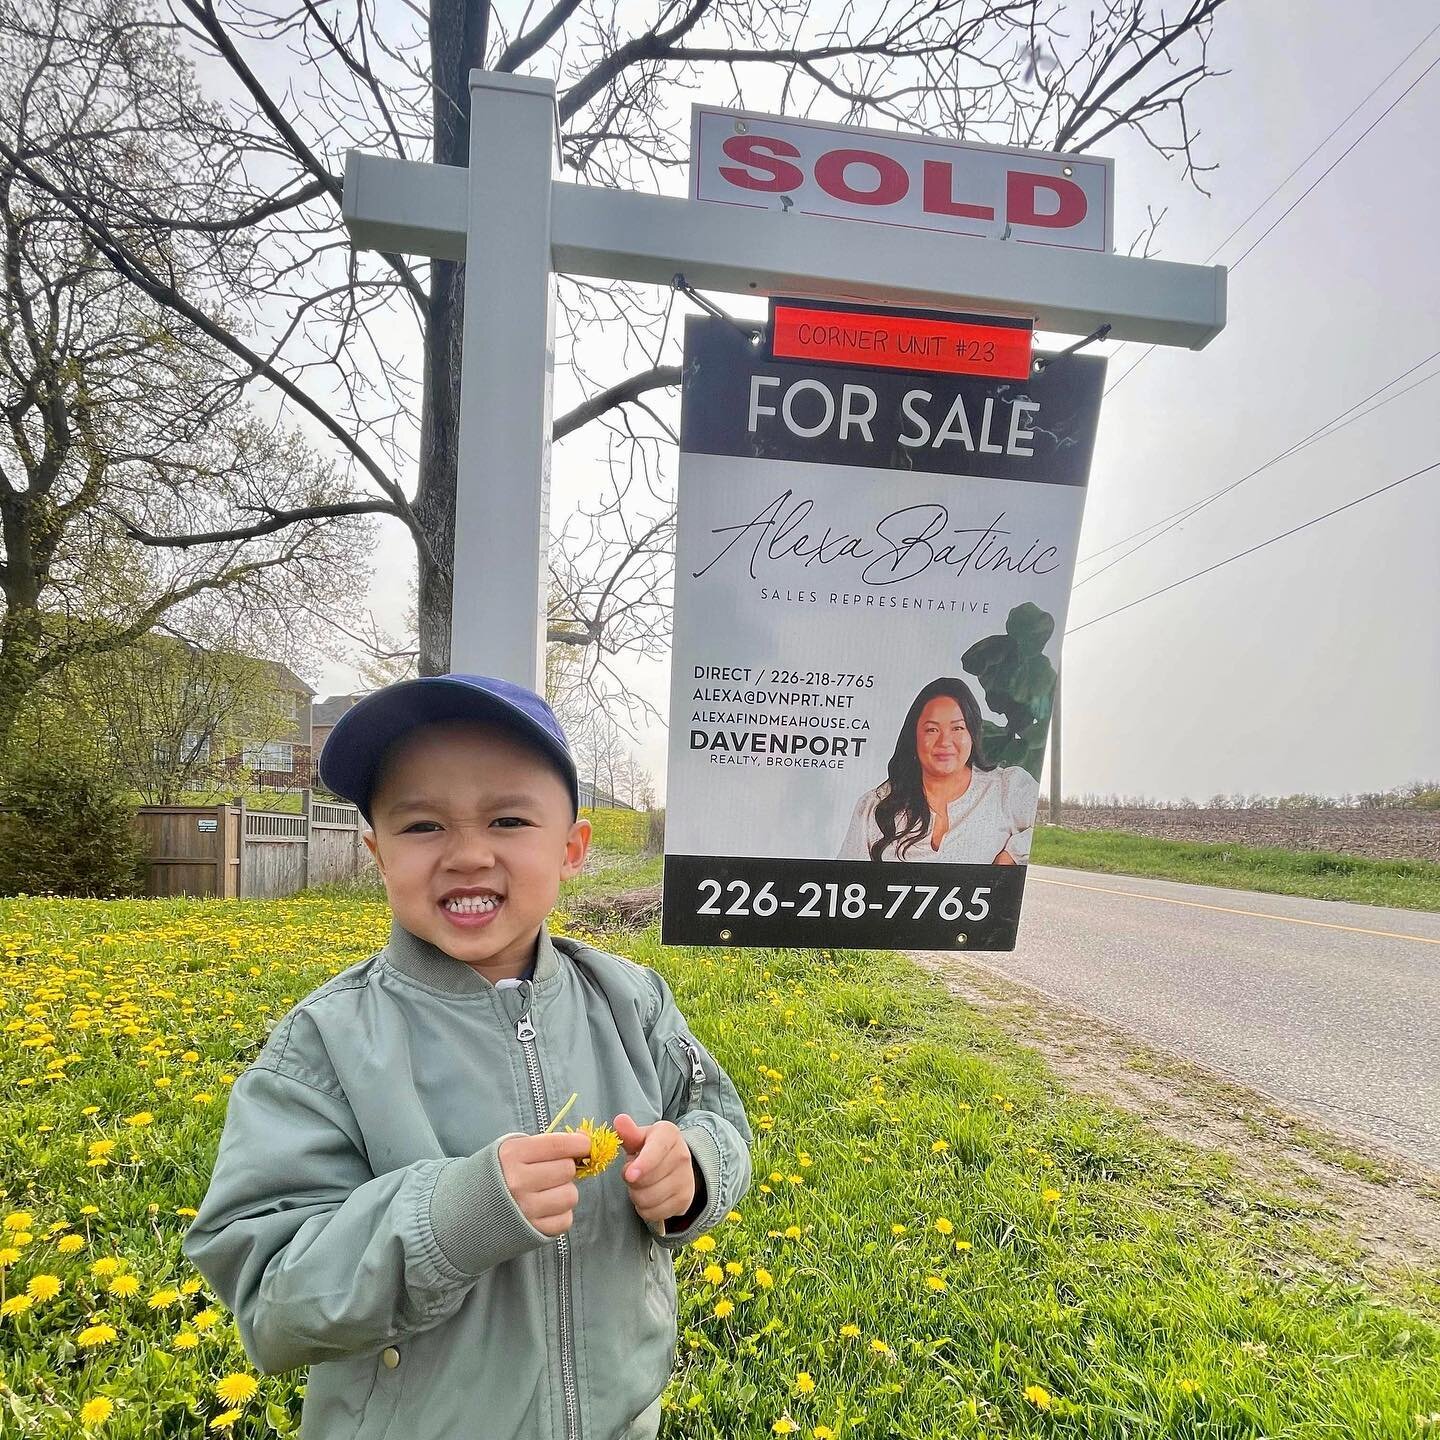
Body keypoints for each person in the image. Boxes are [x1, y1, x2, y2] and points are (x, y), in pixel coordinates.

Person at [182, 673, 752, 1440]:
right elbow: (272, 1298)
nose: (467, 854)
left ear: (572, 849)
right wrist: (450, 1220)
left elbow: (719, 1117)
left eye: (509, 819)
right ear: (378, 854)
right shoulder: (327, 1044)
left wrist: (697, 1169)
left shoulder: (632, 1001)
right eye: (422, 827)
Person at [837, 676, 1038, 864]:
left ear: (972, 734)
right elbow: (844, 880)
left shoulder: (1007, 789)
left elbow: (1044, 836)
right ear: (914, 736)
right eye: (932, 730)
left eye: (958, 728)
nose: (944, 742)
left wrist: (1010, 856)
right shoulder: (874, 806)